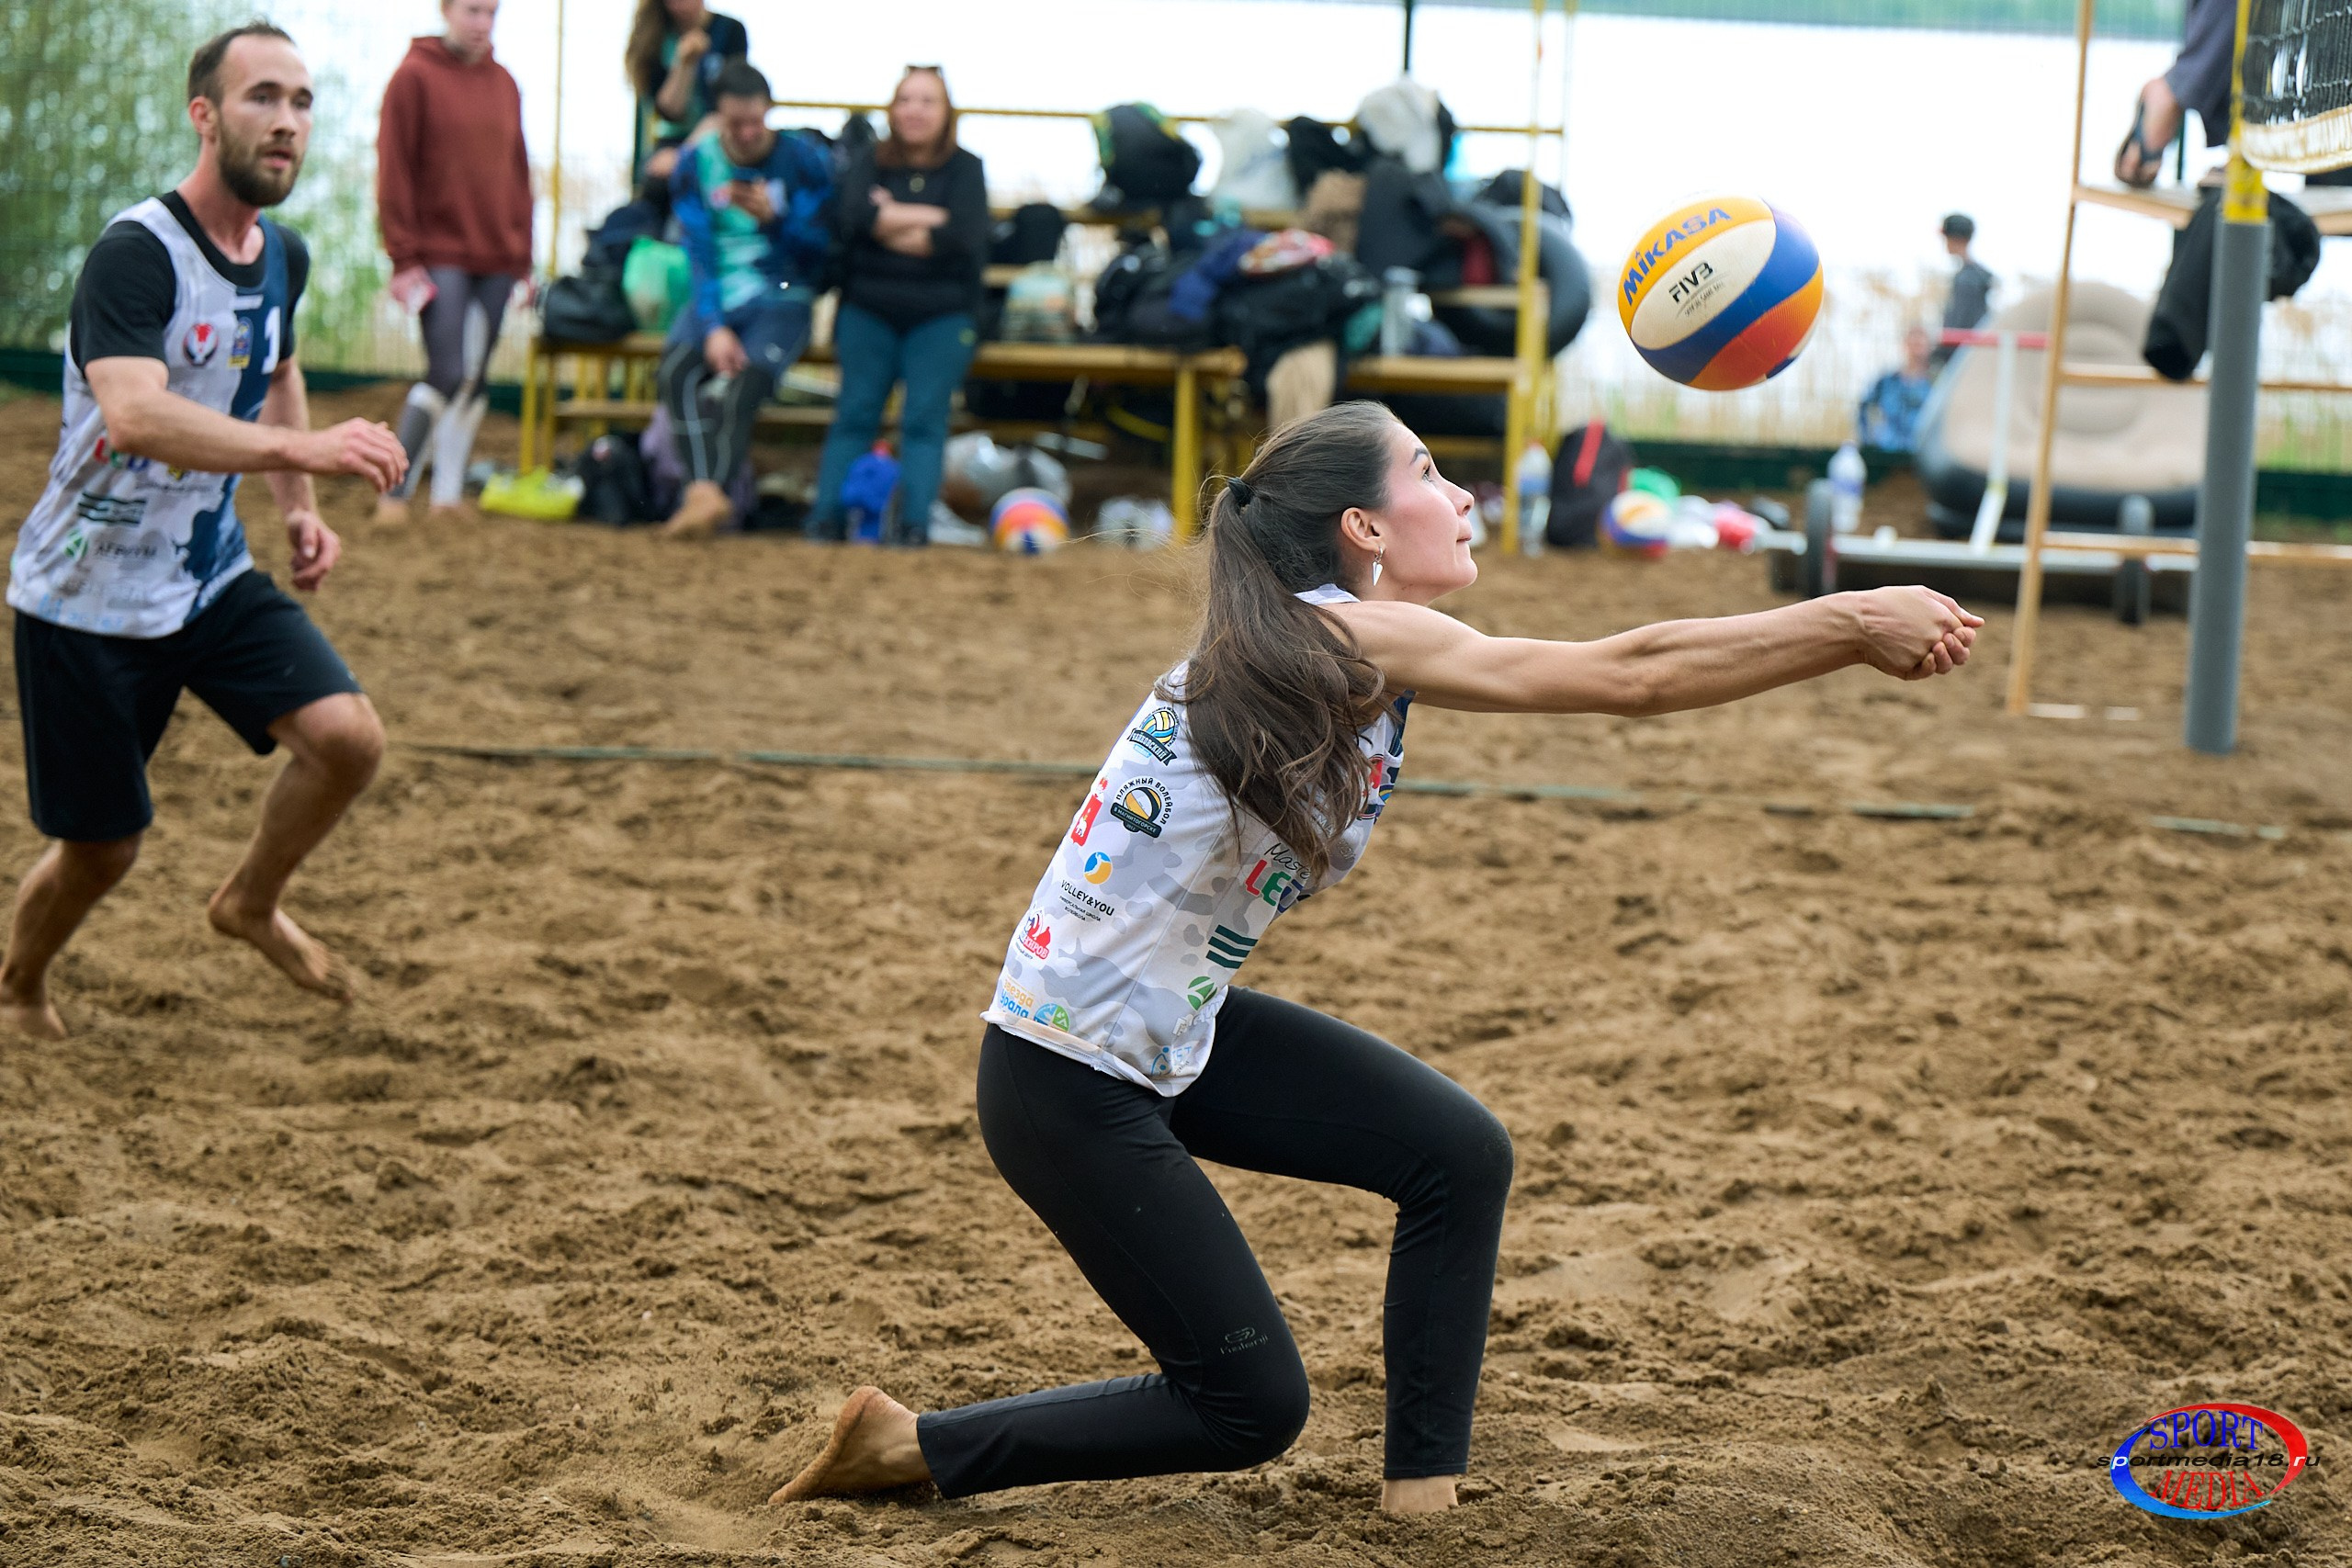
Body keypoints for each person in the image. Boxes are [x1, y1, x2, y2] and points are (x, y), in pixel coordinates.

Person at [768, 402, 1981, 1514]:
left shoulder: (1323, 640)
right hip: (1063, 1080)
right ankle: (912, 1444)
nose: (1462, 496)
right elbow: (1636, 673)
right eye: (1431, 473)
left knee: (1455, 1152)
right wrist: (1850, 617)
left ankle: (1423, 1506)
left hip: (1164, 1030)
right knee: (1250, 1407)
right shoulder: (1341, 633)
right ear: (1362, 527)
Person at [1, 24, 405, 1039]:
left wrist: (300, 516)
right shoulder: (136, 254)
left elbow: (273, 369)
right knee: (104, 853)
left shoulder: (285, 256)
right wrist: (309, 457)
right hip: (83, 596)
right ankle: (18, 985)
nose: (286, 122)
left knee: (348, 741)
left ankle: (250, 902)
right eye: (263, 97)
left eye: (303, 103)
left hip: (204, 576)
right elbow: (137, 415)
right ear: (206, 114)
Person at [809, 68, 987, 546]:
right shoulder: (870, 160)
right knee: (855, 414)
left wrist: (885, 220)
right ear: (892, 108)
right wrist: (931, 219)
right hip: (868, 309)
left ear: (947, 111)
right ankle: (826, 520)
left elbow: (964, 236)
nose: (916, 110)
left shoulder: (967, 168)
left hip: (942, 315)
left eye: (928, 100)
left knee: (924, 421)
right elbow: (852, 219)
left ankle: (913, 526)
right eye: (906, 99)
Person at [658, 62, 832, 538]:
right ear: (719, 116)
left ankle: (705, 494)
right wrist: (713, 324)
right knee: (674, 371)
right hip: (718, 292)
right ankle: (704, 494)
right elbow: (698, 251)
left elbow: (823, 251)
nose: (750, 132)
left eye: (758, 120)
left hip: (782, 293)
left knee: (744, 384)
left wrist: (777, 219)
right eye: (738, 123)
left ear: (769, 110)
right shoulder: (697, 164)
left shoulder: (803, 160)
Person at [373, 0, 532, 525]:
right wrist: (403, 257)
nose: (482, 23)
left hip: (498, 256)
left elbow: (518, 173)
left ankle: (445, 497)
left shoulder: (506, 84)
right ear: (446, 10)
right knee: (446, 371)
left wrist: (523, 259)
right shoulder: (412, 78)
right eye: (472, 10)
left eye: (491, 13)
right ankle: (394, 493)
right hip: (437, 253)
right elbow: (394, 168)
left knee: (476, 380)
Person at [627, 0, 749, 188]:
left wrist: (682, 157)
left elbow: (729, 107)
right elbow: (670, 112)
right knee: (654, 180)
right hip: (673, 140)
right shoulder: (655, 37)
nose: (681, 5)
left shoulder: (730, 30)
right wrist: (685, 64)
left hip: (720, 139)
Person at [1858, 323, 1935, 451]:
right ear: (1905, 345)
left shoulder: (1936, 386)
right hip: (1888, 454)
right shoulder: (1886, 382)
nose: (1917, 351)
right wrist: (1868, 444)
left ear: (1928, 349)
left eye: (1920, 345)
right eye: (1913, 344)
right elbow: (1864, 409)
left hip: (1921, 456)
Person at [1938, 213, 1994, 361]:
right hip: (1970, 352)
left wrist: (1941, 353)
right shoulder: (1977, 275)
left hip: (1962, 355)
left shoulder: (1967, 279)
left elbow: (1961, 323)